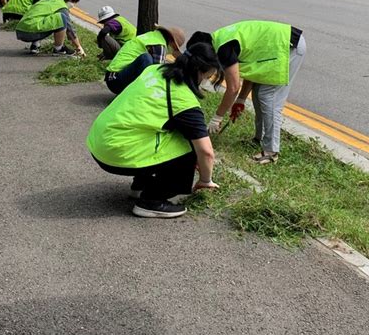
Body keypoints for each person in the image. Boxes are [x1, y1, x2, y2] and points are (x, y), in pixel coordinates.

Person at [87, 42, 223, 218]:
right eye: (207, 77)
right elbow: (206, 152)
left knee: (158, 130)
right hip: (116, 151)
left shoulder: (155, 70)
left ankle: (140, 185)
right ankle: (152, 201)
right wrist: (206, 181)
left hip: (100, 140)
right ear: (199, 71)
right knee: (189, 144)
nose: (205, 82)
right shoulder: (184, 100)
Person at [187, 20, 306, 164]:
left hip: (288, 47)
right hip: (281, 46)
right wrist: (241, 100)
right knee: (259, 94)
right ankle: (259, 139)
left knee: (269, 98)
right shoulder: (221, 39)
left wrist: (217, 118)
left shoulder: (224, 48)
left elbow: (233, 88)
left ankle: (271, 152)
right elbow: (252, 69)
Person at [104, 26, 185, 95]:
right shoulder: (159, 45)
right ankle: (139, 94)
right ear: (171, 41)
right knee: (146, 59)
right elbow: (158, 74)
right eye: (174, 48)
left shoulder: (152, 36)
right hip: (116, 80)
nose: (172, 52)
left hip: (112, 77)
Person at [15, 0, 86, 56]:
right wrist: (78, 47)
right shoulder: (61, 6)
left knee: (42, 19)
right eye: (74, 2)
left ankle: (35, 45)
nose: (73, 5)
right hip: (31, 33)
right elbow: (70, 29)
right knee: (61, 18)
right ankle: (59, 49)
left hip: (20, 31)